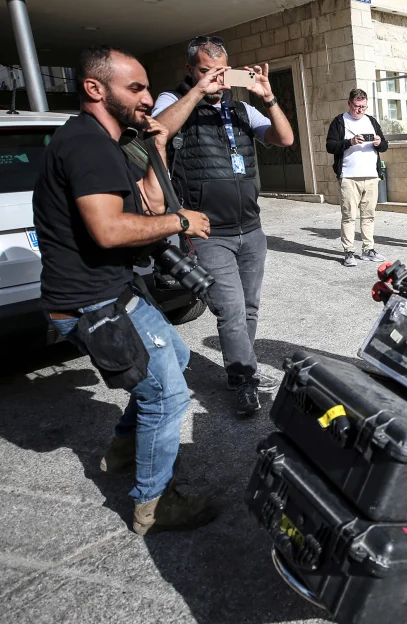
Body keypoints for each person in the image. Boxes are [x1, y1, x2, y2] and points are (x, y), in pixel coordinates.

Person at [34, 45, 218, 535]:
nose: (145, 97)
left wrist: (156, 150)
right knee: (168, 395)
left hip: (114, 289)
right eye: (134, 88)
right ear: (95, 89)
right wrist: (179, 220)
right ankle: (153, 506)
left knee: (173, 362)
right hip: (92, 302)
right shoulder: (88, 146)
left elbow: (145, 205)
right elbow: (111, 231)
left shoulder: (107, 143)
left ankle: (122, 449)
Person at [150, 35, 294, 416]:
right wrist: (198, 91)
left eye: (221, 72)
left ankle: (237, 372)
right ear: (190, 71)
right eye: (205, 71)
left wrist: (268, 96)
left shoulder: (242, 110)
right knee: (230, 309)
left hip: (251, 228)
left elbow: (285, 137)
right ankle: (245, 381)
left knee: (249, 307)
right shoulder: (173, 100)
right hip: (210, 232)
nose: (216, 80)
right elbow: (159, 131)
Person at [325, 89, 389, 267]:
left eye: (363, 106)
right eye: (357, 106)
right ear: (349, 103)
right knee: (349, 216)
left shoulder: (371, 121)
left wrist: (378, 143)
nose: (360, 110)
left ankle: (368, 249)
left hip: (371, 176)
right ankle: (349, 252)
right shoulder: (339, 121)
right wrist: (350, 142)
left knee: (368, 216)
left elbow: (384, 146)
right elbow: (330, 146)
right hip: (349, 177)